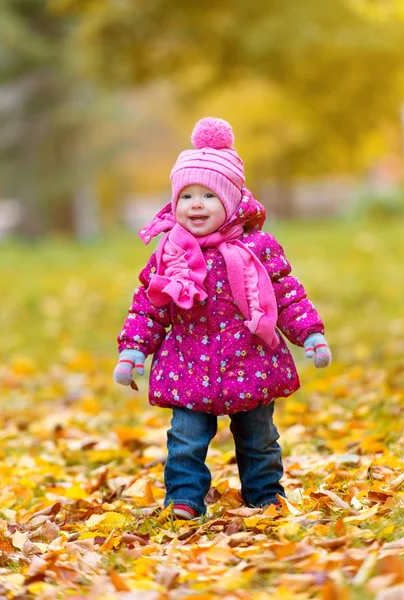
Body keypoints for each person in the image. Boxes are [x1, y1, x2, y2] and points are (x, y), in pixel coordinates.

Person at [114, 117, 332, 520]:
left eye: (209, 196)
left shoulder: (258, 247)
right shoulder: (171, 253)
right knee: (185, 440)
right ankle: (183, 500)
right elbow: (148, 305)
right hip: (187, 364)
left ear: (232, 201)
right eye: (186, 196)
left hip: (250, 357)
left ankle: (266, 496)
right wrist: (132, 351)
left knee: (259, 437)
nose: (196, 205)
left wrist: (311, 335)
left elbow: (286, 293)